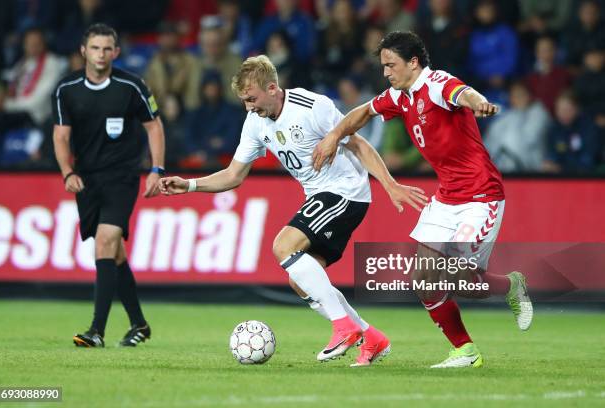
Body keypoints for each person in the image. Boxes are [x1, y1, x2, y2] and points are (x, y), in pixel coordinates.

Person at [159, 55, 428, 366]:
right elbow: (233, 175)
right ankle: (371, 337)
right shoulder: (255, 123)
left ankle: (344, 327)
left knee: (283, 246)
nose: (249, 107)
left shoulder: (312, 106)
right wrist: (190, 185)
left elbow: (359, 145)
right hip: (319, 194)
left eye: (252, 99)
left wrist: (389, 184)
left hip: (345, 190)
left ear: (272, 88)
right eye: (244, 101)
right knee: (300, 280)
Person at [312, 31, 534, 368]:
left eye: (391, 65)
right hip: (446, 199)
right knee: (422, 278)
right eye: (383, 66)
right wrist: (333, 135)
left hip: (480, 196)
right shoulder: (400, 97)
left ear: (413, 62)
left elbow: (462, 93)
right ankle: (465, 351)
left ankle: (511, 286)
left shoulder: (436, 83)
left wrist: (479, 104)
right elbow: (363, 112)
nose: (386, 72)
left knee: (459, 277)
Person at [51, 23, 166, 348]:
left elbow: (154, 126)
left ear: (115, 52)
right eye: (95, 48)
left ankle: (96, 332)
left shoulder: (132, 86)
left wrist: (156, 169)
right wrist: (66, 172)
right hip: (87, 179)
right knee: (114, 253)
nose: (101, 54)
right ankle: (139, 325)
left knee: (104, 242)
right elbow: (61, 135)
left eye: (107, 49)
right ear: (83, 51)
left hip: (122, 176)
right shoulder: (66, 88)